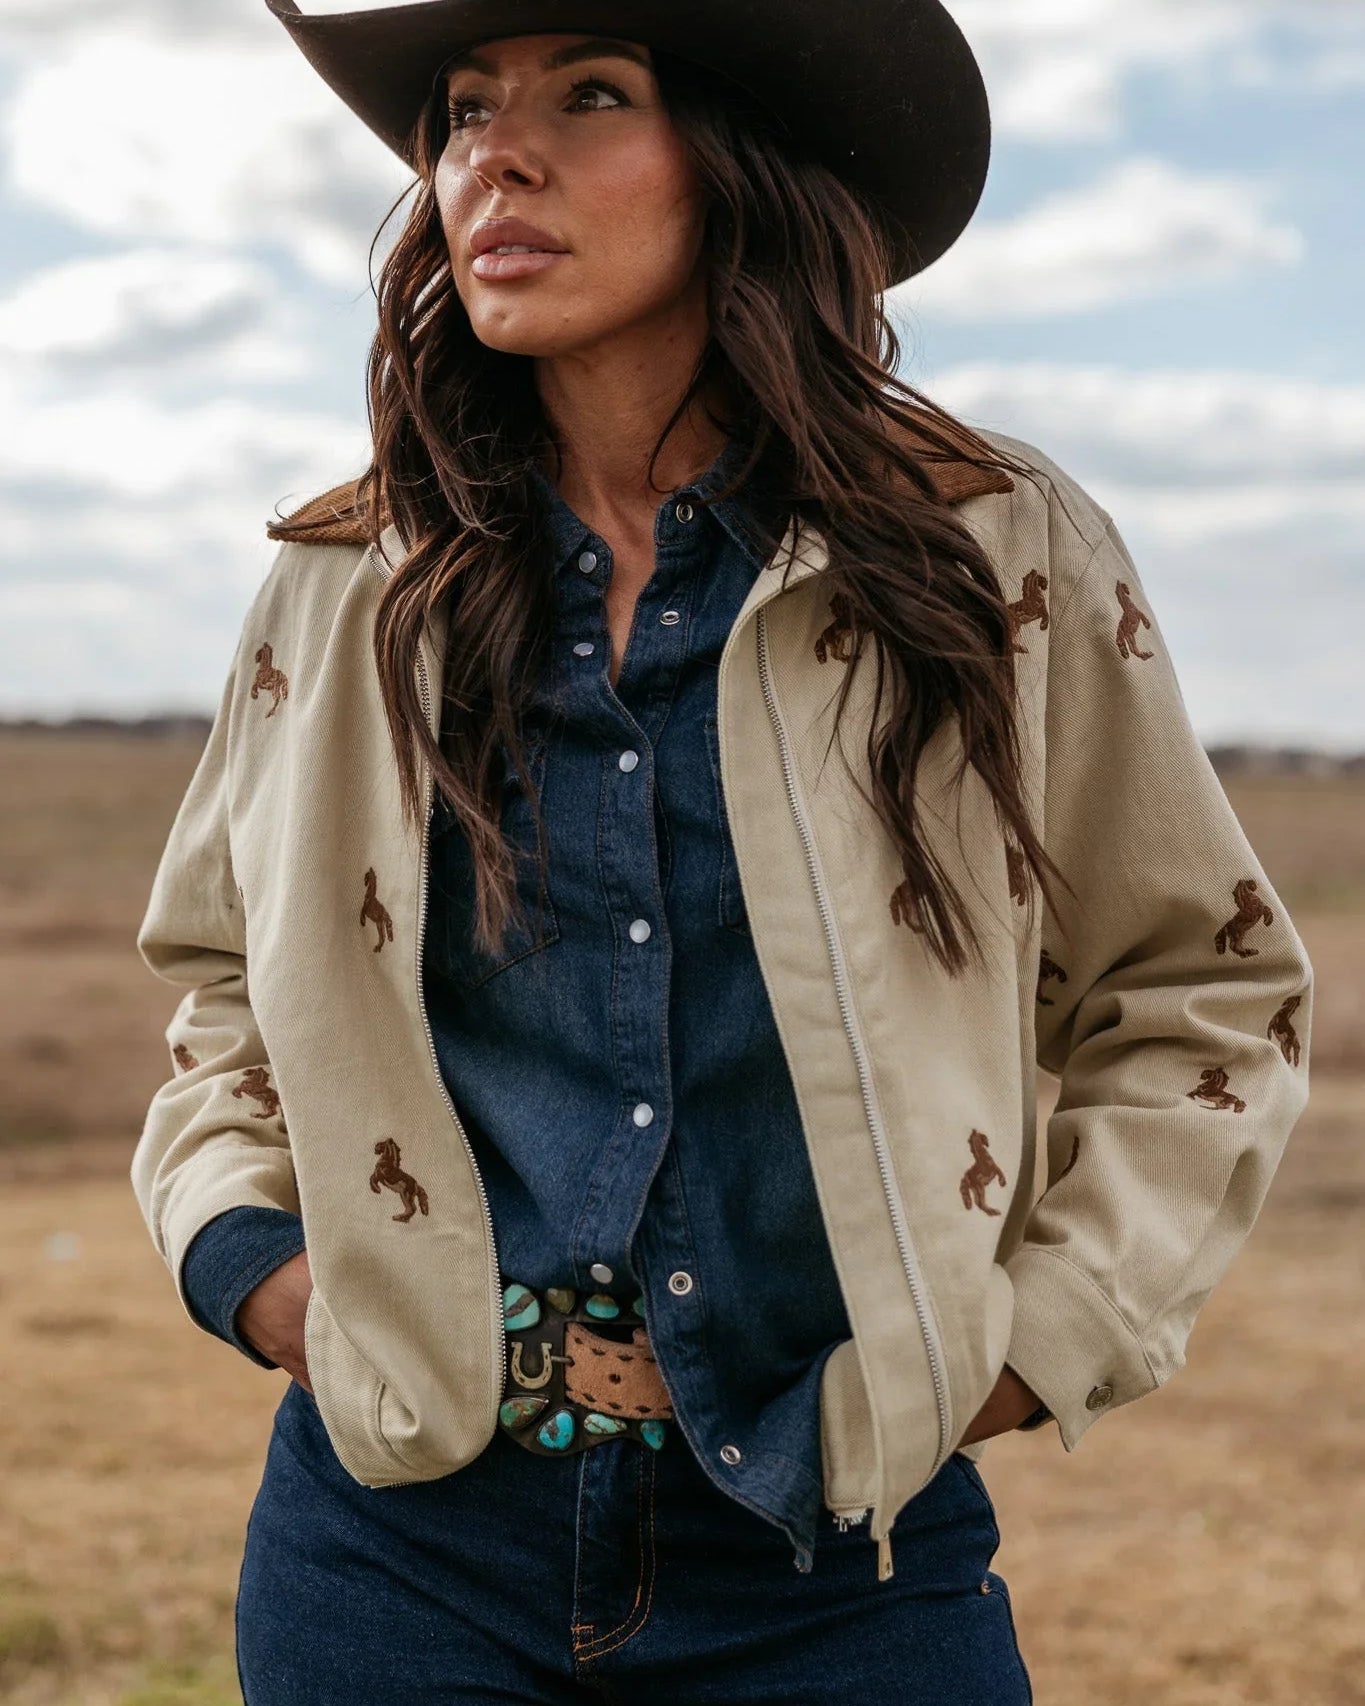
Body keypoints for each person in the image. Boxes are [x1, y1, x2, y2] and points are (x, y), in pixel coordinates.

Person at [130, 2, 1313, 1700]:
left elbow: (1204, 983)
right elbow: (219, 985)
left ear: (744, 160)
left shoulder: (989, 550)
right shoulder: (348, 580)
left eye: (589, 94)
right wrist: (265, 1275)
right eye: (466, 108)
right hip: (396, 1557)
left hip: (836, 1570)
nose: (494, 155)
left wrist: (1024, 1344)